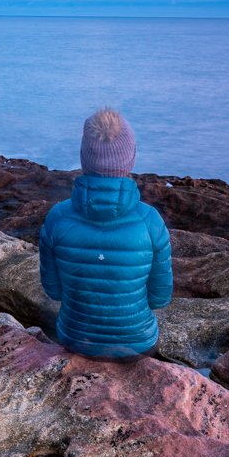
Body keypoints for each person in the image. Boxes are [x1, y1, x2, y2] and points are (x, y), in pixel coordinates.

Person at [38, 108, 173, 359]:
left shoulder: (57, 218)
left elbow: (54, 291)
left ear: (83, 159)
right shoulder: (150, 222)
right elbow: (160, 298)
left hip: (76, 340)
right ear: (130, 159)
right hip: (136, 346)